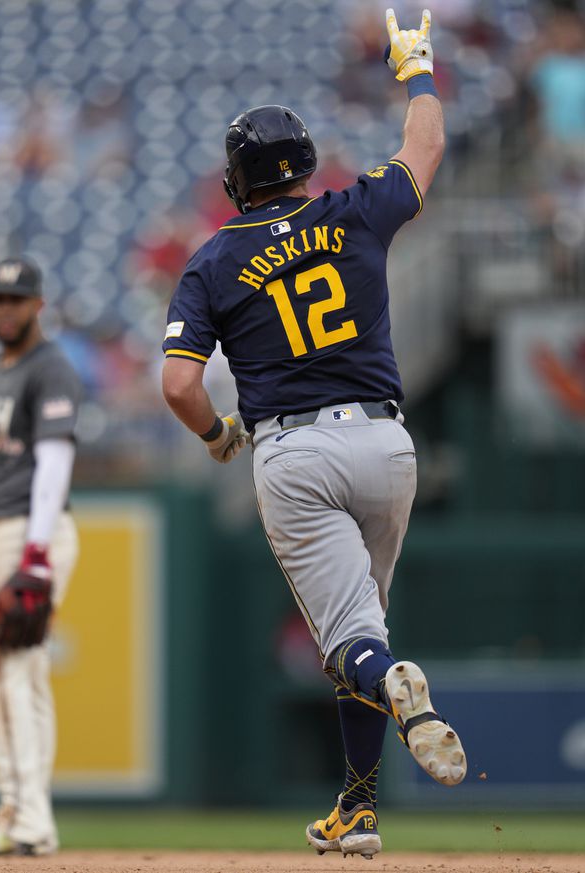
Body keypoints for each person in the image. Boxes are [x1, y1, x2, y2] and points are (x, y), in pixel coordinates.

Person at [161, 8, 464, 861]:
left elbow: (178, 382)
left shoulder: (216, 259)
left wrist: (219, 433)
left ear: (237, 178)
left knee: (352, 644)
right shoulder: (357, 210)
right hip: (386, 444)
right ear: (301, 165)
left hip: (294, 453)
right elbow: (427, 147)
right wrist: (417, 72)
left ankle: (393, 687)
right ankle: (358, 809)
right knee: (363, 623)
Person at [0, 256, 83, 857]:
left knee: (18, 667)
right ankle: (14, 808)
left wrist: (36, 551)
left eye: (14, 299)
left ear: (37, 305)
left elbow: (54, 460)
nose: (4, 309)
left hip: (30, 527)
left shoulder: (49, 367)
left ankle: (32, 817)